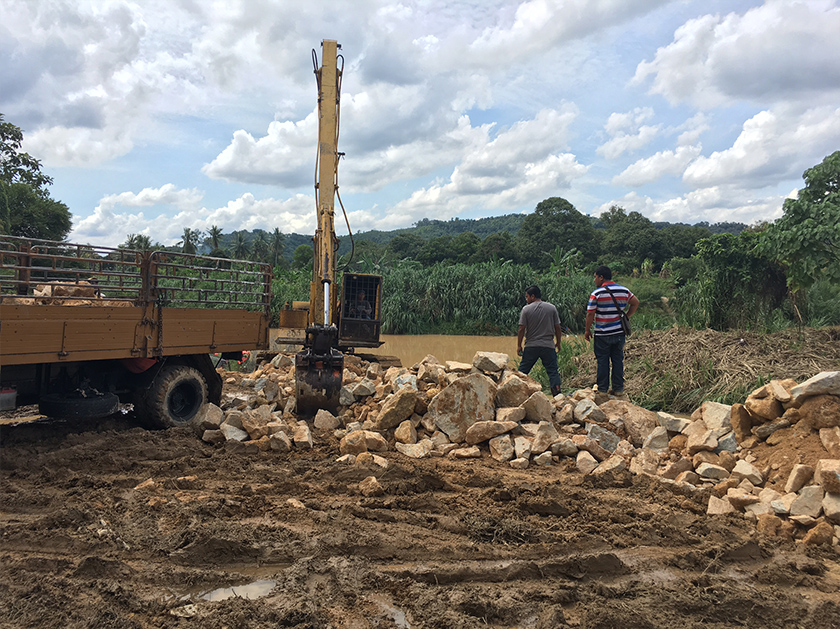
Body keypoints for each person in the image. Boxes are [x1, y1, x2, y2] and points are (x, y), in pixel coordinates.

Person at [584, 265, 639, 397]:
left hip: (602, 333)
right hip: (619, 333)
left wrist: (587, 330)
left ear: (601, 277)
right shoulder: (624, 290)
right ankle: (618, 389)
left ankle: (602, 389)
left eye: (595, 277)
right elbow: (635, 302)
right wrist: (626, 316)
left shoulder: (596, 293)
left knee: (603, 361)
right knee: (617, 360)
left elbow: (590, 314)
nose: (594, 280)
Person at [517, 285, 563, 397]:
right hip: (548, 346)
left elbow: (521, 328)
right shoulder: (551, 308)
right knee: (553, 371)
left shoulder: (526, 309)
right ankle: (557, 395)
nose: (526, 299)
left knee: (522, 371)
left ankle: (515, 390)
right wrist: (558, 342)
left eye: (527, 297)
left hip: (531, 346)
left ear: (533, 296)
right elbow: (557, 327)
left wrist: (519, 345)